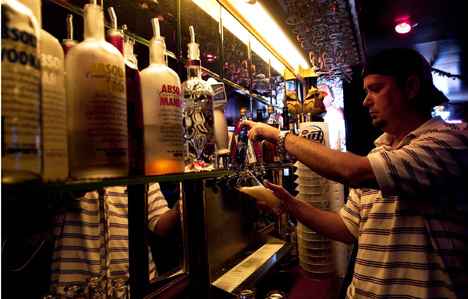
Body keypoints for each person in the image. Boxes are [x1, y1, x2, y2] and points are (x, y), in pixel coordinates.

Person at [243, 48, 468, 298]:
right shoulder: (379, 151)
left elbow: (351, 171)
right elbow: (346, 228)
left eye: (376, 88)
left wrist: (278, 135)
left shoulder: (447, 143)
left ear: (411, 87)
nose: (365, 101)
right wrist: (290, 204)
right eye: (365, 91)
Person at [50, 183, 181, 296]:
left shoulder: (139, 161)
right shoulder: (68, 161)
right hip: (75, 288)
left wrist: (179, 207)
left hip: (136, 286)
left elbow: (160, 224)